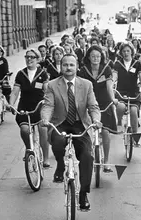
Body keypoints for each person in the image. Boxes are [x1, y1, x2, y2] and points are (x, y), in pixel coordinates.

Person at [41, 53, 101, 210]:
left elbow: (93, 106)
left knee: (87, 156)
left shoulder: (86, 84)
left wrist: (95, 120)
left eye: (71, 65)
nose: (68, 68)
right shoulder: (53, 85)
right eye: (65, 65)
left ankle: (83, 194)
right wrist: (46, 119)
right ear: (61, 67)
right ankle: (60, 165)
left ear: (77, 67)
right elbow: (48, 105)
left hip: (80, 123)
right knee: (59, 142)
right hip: (60, 123)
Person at [78, 45, 117, 172]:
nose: (96, 58)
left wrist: (113, 99)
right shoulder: (83, 71)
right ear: (88, 57)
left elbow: (109, 86)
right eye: (93, 56)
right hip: (88, 104)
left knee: (105, 132)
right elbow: (79, 88)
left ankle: (106, 161)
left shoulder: (106, 69)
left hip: (104, 103)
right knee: (87, 133)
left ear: (102, 57)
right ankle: (87, 158)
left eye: (98, 56)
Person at [9, 48, 50, 168]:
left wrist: (49, 103)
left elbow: (47, 91)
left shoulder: (42, 73)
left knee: (43, 130)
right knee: (25, 130)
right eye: (27, 57)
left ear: (37, 59)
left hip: (39, 106)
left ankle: (46, 158)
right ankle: (29, 150)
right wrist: (11, 104)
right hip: (24, 107)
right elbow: (15, 92)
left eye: (32, 57)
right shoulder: (21, 74)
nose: (29, 59)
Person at [113, 42, 141, 135]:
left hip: (134, 92)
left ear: (131, 52)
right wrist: (112, 84)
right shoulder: (118, 63)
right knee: (121, 107)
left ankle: (135, 135)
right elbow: (114, 76)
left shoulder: (137, 64)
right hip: (121, 92)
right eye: (124, 51)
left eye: (128, 51)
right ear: (121, 53)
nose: (126, 53)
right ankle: (118, 122)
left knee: (134, 111)